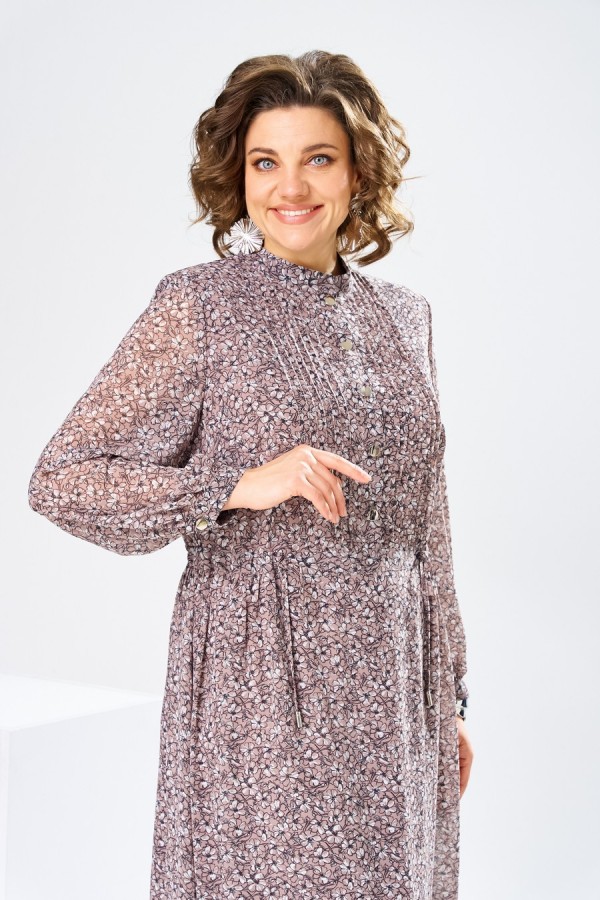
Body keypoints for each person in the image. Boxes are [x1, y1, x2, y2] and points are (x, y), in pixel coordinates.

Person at [28, 50, 474, 899]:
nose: (289, 187)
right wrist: (234, 484)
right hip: (263, 685)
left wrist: (449, 698)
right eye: (266, 162)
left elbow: (429, 523)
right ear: (238, 175)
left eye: (318, 158)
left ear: (358, 172)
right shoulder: (201, 306)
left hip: (397, 691)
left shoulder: (405, 317)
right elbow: (63, 478)